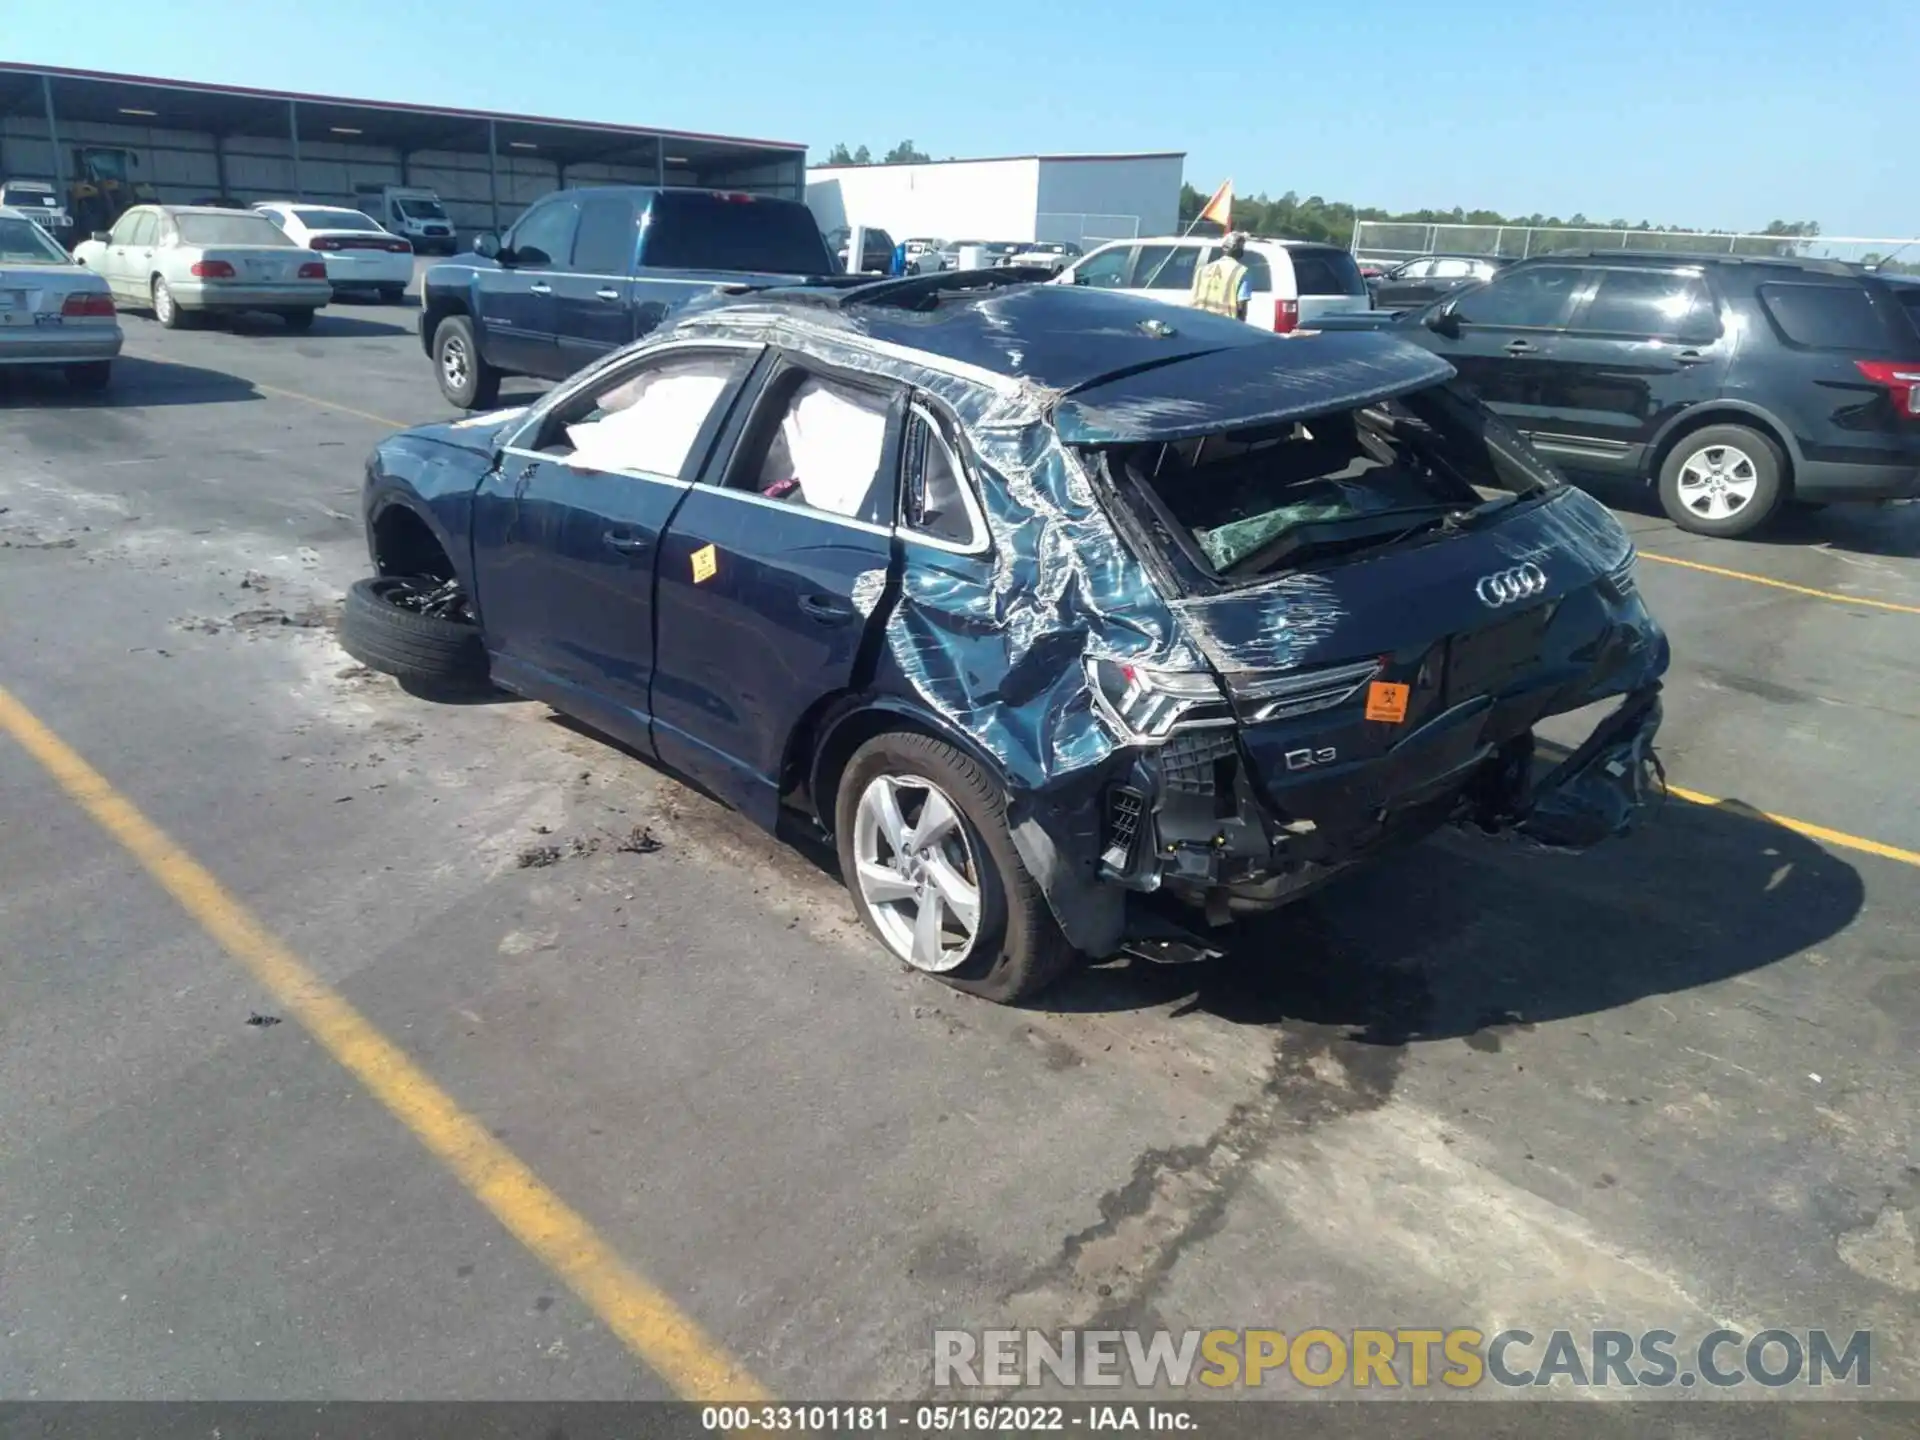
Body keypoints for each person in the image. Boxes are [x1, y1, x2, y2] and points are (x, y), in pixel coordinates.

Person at [1191, 232, 1253, 321]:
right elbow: (1241, 307)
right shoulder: (1242, 272)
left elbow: (1194, 299)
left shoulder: (1202, 270)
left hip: (1199, 322)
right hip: (1226, 325)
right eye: (1242, 247)